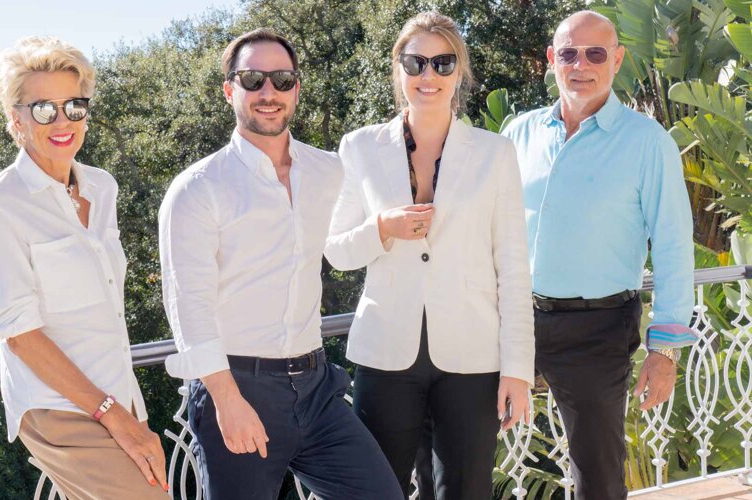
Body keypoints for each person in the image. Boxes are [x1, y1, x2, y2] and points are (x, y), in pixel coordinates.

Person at [159, 28, 403, 500]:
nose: (268, 93)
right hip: (238, 388)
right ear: (230, 90)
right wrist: (227, 400)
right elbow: (189, 304)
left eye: (282, 79)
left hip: (317, 389)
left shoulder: (328, 171)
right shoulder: (198, 188)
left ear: (297, 89)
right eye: (253, 80)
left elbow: (348, 239)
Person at [324, 11, 534, 498]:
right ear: (398, 69)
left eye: (442, 63)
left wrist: (518, 369)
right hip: (385, 352)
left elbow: (514, 269)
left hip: (472, 354)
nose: (428, 76)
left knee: (464, 489)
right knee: (378, 489)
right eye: (415, 62)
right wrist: (383, 228)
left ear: (459, 71)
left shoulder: (495, 153)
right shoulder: (358, 147)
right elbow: (336, 251)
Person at [501, 11, 695, 499]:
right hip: (509, 324)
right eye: (568, 53)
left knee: (599, 475)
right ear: (551, 60)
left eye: (595, 53)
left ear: (617, 59)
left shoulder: (648, 143)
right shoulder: (516, 135)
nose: (580, 65)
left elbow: (672, 247)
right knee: (459, 449)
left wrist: (664, 351)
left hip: (598, 330)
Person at [0, 36, 169, 499]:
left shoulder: (102, 187)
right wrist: (110, 414)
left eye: (74, 106)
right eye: (43, 109)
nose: (62, 122)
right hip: (61, 407)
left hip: (118, 395)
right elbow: (19, 334)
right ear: (15, 120)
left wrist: (123, 410)